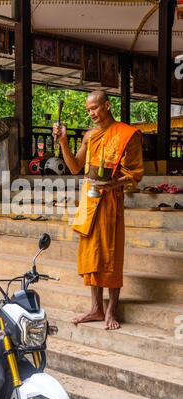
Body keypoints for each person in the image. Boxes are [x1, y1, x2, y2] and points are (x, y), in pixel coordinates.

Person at [53, 91, 144, 331]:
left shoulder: (127, 134)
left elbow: (135, 175)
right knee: (91, 254)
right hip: (89, 199)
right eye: (88, 110)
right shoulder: (90, 136)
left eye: (95, 108)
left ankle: (111, 309)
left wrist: (113, 183)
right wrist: (63, 142)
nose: (92, 113)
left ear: (107, 105)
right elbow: (74, 167)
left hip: (111, 200)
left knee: (110, 253)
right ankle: (95, 308)